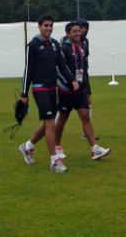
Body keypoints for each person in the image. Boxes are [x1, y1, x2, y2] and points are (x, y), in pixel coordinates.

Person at [17, 15, 79, 173]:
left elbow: (62, 65)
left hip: (53, 88)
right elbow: (28, 70)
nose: (49, 28)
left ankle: (27, 146)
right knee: (50, 121)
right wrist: (24, 93)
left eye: (51, 25)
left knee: (47, 123)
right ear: (39, 26)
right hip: (39, 87)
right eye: (46, 25)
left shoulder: (54, 44)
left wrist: (71, 80)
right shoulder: (33, 45)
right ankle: (54, 161)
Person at [55, 21, 110, 159]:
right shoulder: (63, 48)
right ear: (68, 33)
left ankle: (95, 149)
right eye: (74, 31)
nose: (78, 33)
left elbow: (84, 66)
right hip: (66, 90)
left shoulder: (83, 45)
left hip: (80, 89)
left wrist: (84, 84)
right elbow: (59, 68)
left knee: (85, 116)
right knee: (62, 118)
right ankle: (57, 147)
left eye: (79, 31)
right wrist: (69, 82)